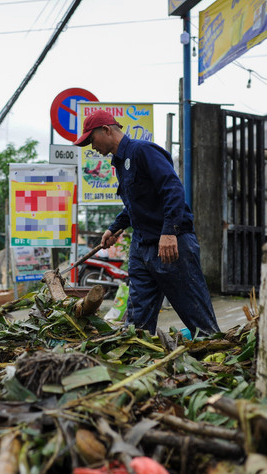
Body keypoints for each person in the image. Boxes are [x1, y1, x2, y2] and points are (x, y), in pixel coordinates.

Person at [74, 110, 219, 337]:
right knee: (137, 319)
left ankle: (210, 344)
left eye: (91, 140)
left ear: (106, 130)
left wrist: (170, 232)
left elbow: (172, 190)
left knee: (196, 315)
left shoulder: (143, 151)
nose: (92, 146)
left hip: (171, 245)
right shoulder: (120, 163)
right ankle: (137, 354)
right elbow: (136, 205)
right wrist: (113, 228)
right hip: (142, 248)